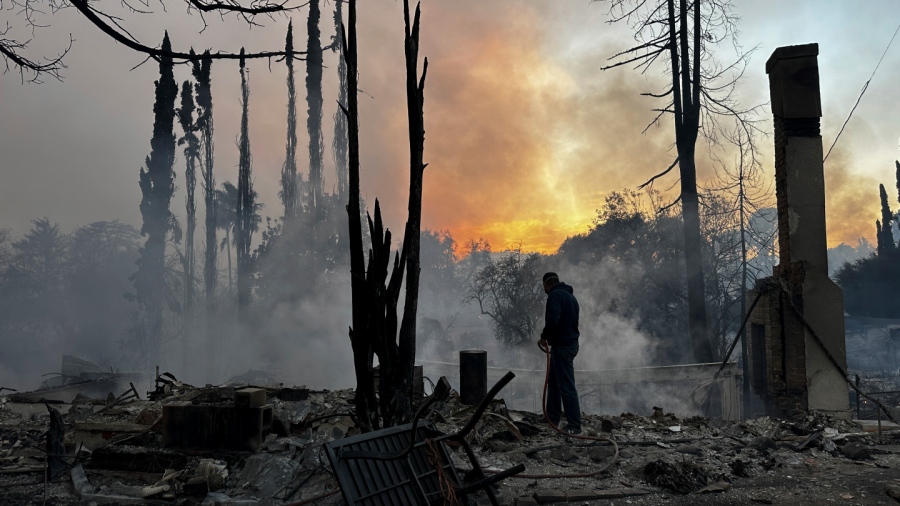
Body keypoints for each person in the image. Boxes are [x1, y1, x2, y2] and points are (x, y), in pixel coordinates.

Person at [538, 272, 582, 435]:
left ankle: (574, 425)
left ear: (545, 285)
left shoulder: (554, 296)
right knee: (554, 383)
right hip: (568, 344)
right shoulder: (571, 297)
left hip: (563, 346)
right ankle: (552, 416)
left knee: (566, 386)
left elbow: (553, 319)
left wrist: (544, 337)